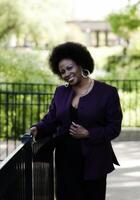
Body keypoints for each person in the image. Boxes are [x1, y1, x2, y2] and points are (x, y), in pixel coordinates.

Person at [30, 41, 123, 200]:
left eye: (70, 68)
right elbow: (51, 119)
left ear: (80, 64)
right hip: (66, 160)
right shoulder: (61, 92)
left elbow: (114, 127)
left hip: (95, 160)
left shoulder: (107, 92)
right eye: (62, 71)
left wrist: (88, 133)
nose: (66, 73)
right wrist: (38, 128)